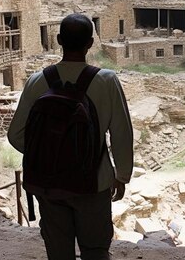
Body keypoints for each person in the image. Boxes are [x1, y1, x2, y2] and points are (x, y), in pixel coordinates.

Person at [8, 13, 134, 260]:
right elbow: (121, 133)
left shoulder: (37, 81)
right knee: (95, 249)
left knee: (58, 251)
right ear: (90, 43)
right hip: (93, 183)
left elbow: (15, 135)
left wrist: (49, 154)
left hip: (49, 184)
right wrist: (121, 175)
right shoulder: (107, 80)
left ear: (58, 40)